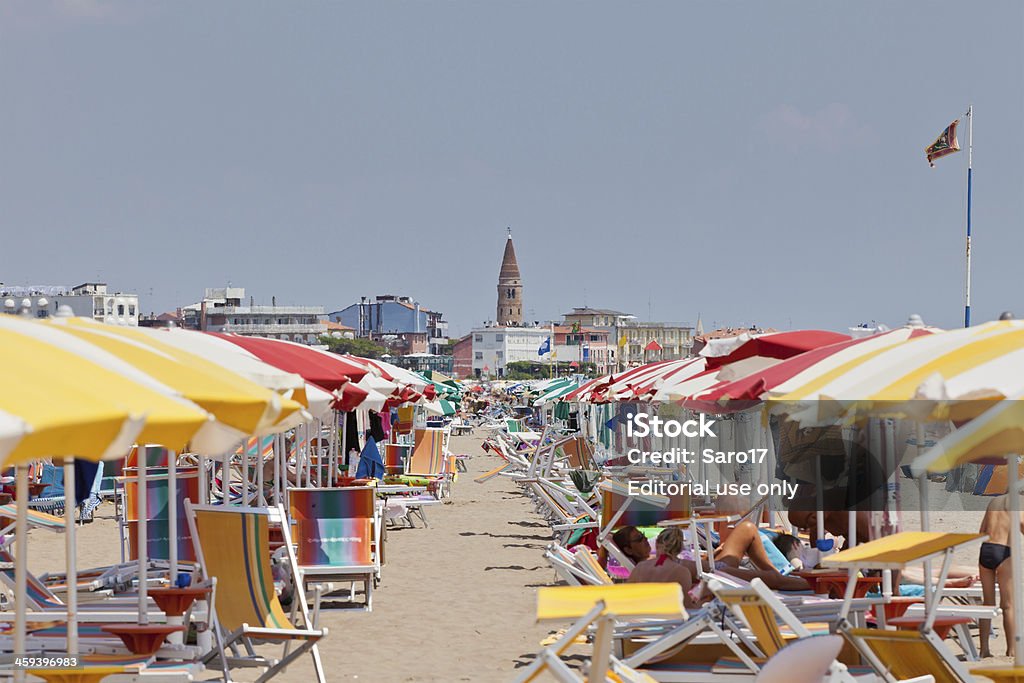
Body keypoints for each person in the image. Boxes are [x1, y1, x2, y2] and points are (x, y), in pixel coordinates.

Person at [979, 494, 1024, 658]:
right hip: (1004, 551)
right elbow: (1021, 522)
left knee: (987, 604)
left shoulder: (993, 501)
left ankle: (983, 650)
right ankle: (1011, 650)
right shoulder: (1018, 500)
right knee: (1008, 605)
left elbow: (982, 530)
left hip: (986, 550)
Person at [627, 527, 699, 608]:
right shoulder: (682, 572)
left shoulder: (640, 567)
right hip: (666, 618)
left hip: (639, 615)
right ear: (680, 548)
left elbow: (626, 597)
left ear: (656, 543)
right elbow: (687, 607)